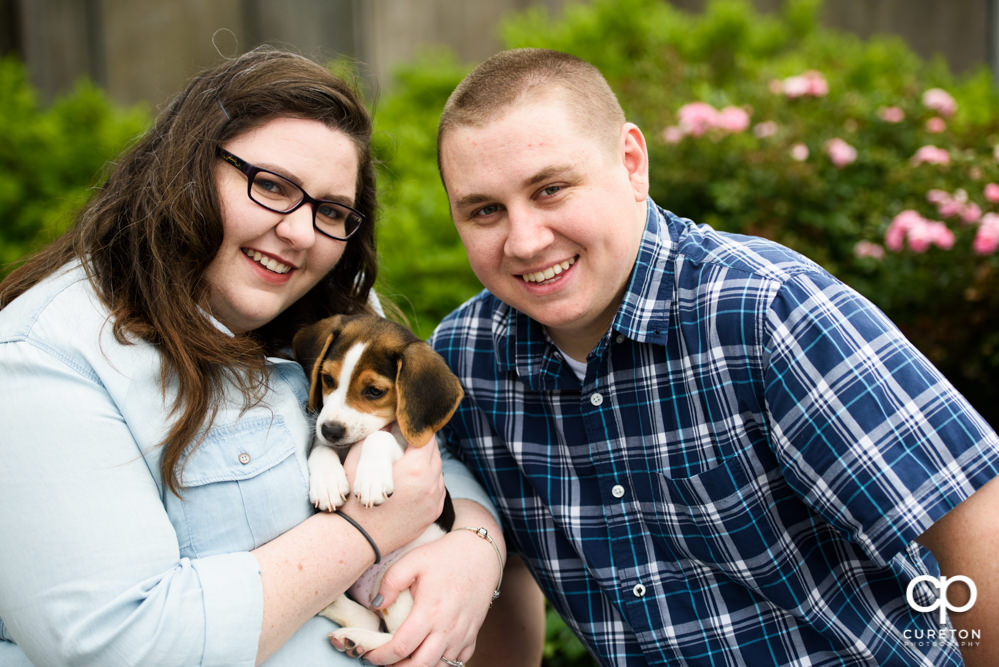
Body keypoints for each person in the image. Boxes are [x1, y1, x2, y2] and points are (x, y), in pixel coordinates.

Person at [430, 48, 999, 666]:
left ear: (631, 162)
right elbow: (506, 568)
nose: (524, 240)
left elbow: (970, 517)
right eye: (485, 210)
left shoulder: (763, 309)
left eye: (551, 189)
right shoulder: (465, 361)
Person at [0, 46, 505, 667]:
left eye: (331, 211)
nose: (298, 232)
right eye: (269, 185)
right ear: (184, 168)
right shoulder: (45, 360)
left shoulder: (328, 308)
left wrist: (478, 547)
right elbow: (119, 647)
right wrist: (360, 534)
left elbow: (428, 445)